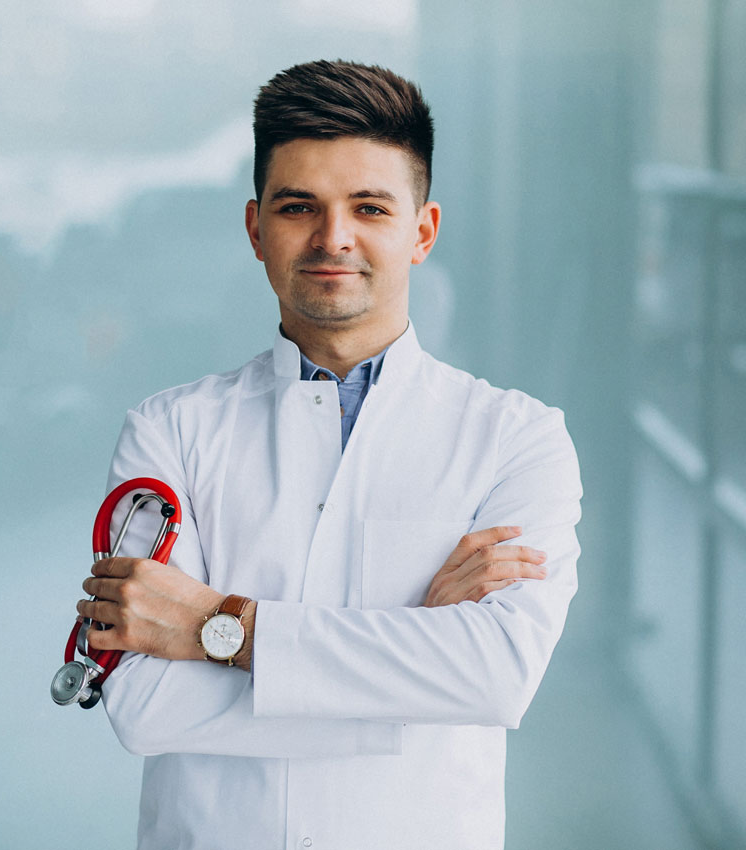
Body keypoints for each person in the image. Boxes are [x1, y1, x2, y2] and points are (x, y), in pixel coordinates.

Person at [78, 59, 582, 850]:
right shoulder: (168, 430)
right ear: (256, 229)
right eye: (298, 206)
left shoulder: (517, 439)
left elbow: (496, 675)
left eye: (370, 207)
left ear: (422, 231)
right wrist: (415, 654)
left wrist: (219, 627)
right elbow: (142, 707)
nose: (332, 237)